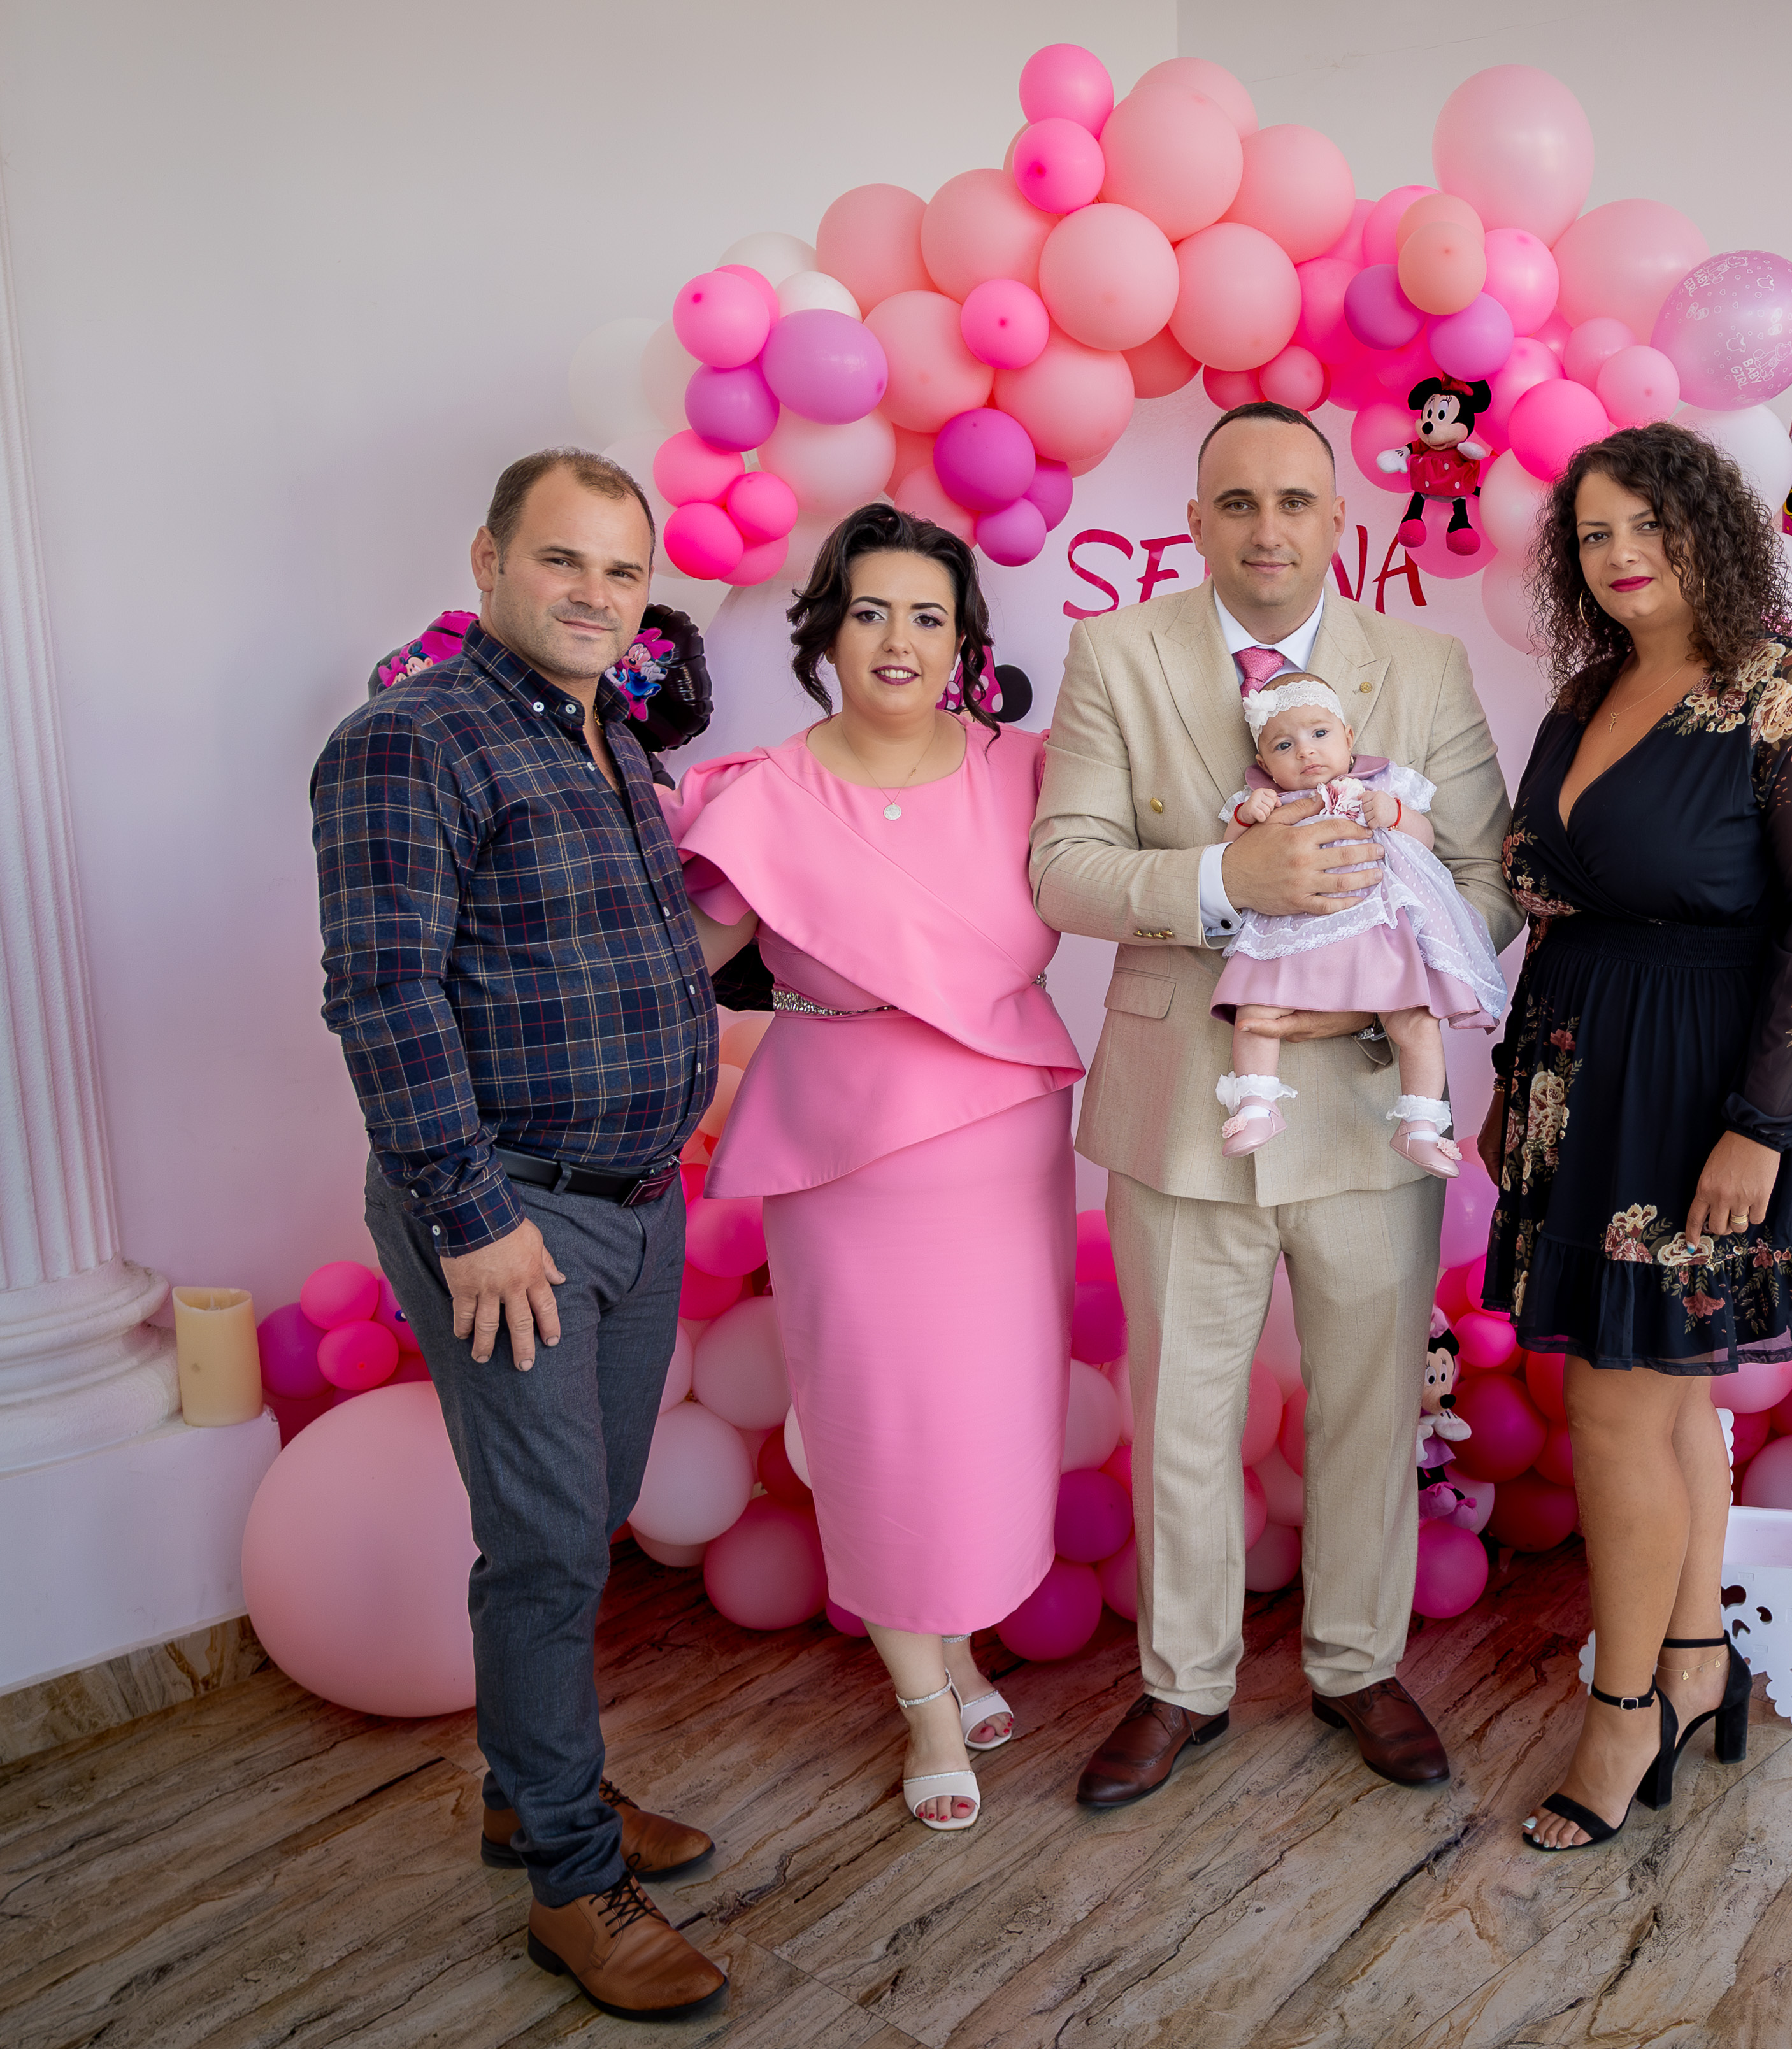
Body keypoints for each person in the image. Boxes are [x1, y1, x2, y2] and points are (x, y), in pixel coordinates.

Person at [1029, 401, 1519, 1808]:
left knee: (1372, 1406)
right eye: (1236, 503)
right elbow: (1064, 864)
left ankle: (1358, 1662)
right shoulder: (1117, 653)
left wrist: (1384, 974)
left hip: (1371, 1102)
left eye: (1294, 501)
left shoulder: (1420, 666)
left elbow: (1487, 876)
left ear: (1336, 521)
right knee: (1179, 1415)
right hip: (1182, 1102)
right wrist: (1221, 883)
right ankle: (1181, 1683)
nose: (1266, 528)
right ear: (1194, 522)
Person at [312, 449, 729, 2020]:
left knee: (589, 1512)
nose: (595, 596)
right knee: (548, 1538)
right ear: (489, 559)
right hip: (512, 1212)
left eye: (622, 572)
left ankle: (521, 1788)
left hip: (634, 1200)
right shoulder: (407, 740)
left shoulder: (610, 734)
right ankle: (568, 1873)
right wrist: (471, 1216)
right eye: (563, 561)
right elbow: (384, 994)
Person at [1477, 422, 1792, 1852]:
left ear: (1707, 528)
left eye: (1647, 523)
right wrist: (1514, 1087)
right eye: (1593, 534)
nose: (1620, 553)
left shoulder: (1788, 689)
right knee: (1664, 1406)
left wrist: (1763, 1129)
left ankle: (1623, 1711)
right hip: (1582, 1078)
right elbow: (1554, 909)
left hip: (1706, 1092)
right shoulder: (1587, 692)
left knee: (1615, 1411)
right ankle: (1700, 1663)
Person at [668, 504, 1084, 1834]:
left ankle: (957, 1650)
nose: (898, 639)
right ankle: (921, 1701)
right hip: (846, 1159)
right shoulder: (765, 798)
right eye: (869, 611)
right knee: (883, 1422)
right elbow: (673, 966)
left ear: (964, 640)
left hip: (1006, 1149)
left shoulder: (1034, 770)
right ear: (825, 634)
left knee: (986, 1418)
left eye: (927, 614)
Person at [1208, 666, 1510, 1171]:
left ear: (1348, 738)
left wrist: (1395, 814)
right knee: (1255, 1013)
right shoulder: (1267, 802)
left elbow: (1427, 841)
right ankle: (1256, 1106)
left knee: (1416, 1020)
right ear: (1263, 763)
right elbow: (1228, 859)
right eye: (1284, 745)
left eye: (1319, 734)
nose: (1305, 752)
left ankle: (1420, 1125)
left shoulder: (1380, 785)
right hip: (1291, 929)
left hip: (1378, 930)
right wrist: (1245, 818)